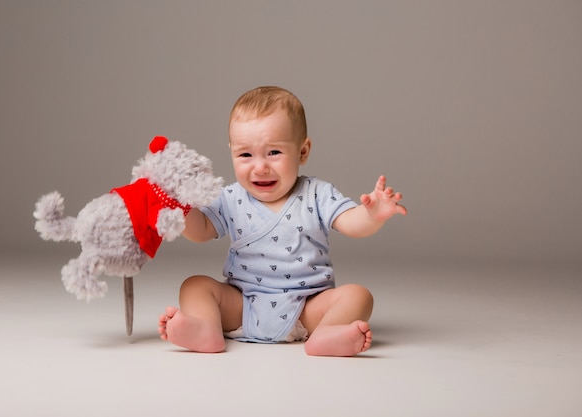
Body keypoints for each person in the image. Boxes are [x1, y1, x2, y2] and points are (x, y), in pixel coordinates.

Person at [158, 86, 406, 356]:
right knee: (195, 285)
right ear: (231, 152)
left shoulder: (317, 193)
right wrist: (178, 206)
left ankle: (326, 334)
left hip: (307, 308)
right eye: (245, 155)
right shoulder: (231, 197)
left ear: (303, 151)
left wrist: (372, 214)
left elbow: (350, 222)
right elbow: (202, 230)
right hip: (243, 304)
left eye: (274, 152)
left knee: (358, 296)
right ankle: (205, 329)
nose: (260, 167)